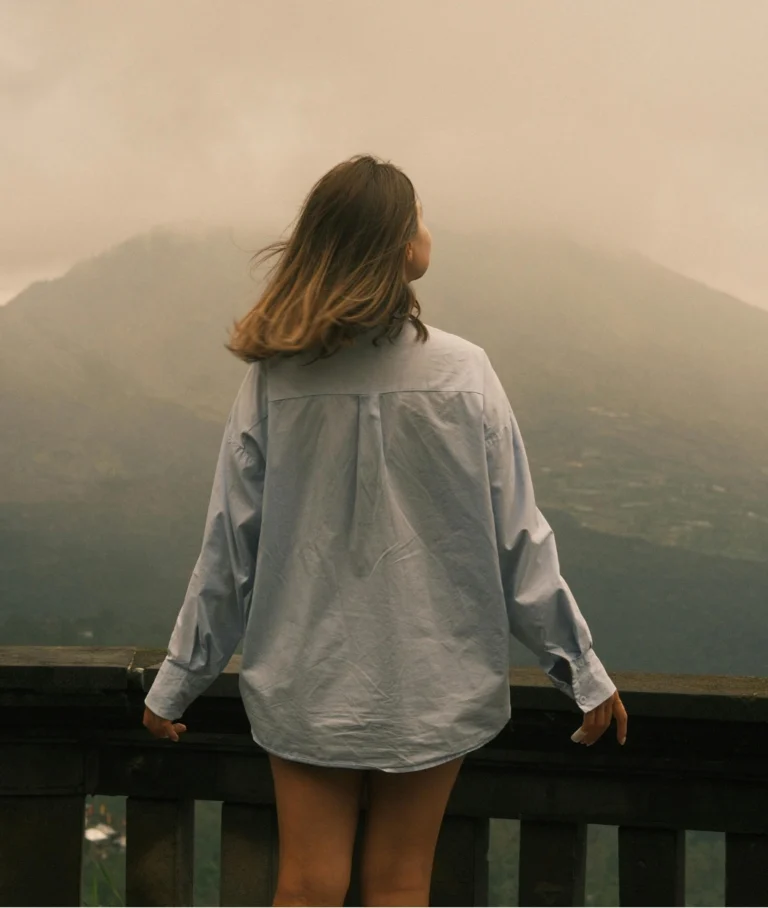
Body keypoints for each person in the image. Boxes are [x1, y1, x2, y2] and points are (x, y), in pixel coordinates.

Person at [143, 154, 628, 907]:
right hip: (433, 676)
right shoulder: (466, 374)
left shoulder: (276, 379)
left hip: (307, 674)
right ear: (402, 247)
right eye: (420, 217)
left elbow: (229, 549)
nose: (428, 230)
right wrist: (581, 668)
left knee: (306, 885)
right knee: (402, 886)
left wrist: (178, 682)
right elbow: (519, 540)